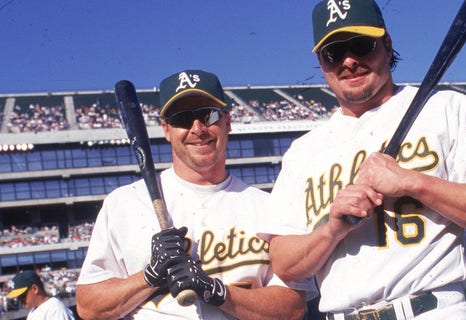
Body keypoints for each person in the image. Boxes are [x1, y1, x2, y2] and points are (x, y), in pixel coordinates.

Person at [259, 0, 466, 319]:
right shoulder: (303, 151)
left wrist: (411, 181)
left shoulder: (445, 108)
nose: (348, 61)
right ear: (321, 63)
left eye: (360, 45)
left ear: (387, 46)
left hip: (429, 310)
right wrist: (331, 229)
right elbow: (284, 262)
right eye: (334, 53)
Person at [76, 69, 316, 320]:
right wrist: (149, 276)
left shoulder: (267, 207)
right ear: (166, 129)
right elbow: (89, 307)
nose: (197, 128)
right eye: (182, 119)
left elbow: (293, 307)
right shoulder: (125, 203)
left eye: (208, 115)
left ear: (227, 122)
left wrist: (217, 292)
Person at [5, 270, 75, 320]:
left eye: (22, 295)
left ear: (35, 289)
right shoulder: (33, 311)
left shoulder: (55, 309)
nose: (19, 299)